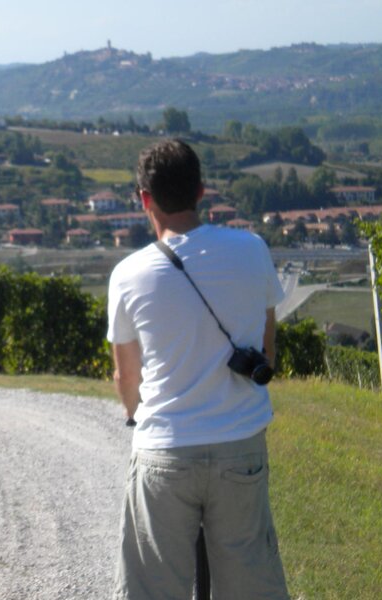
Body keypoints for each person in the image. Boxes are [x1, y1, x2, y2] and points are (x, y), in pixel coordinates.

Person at [107, 139, 289, 599]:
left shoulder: (129, 274)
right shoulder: (251, 249)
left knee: (153, 586)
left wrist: (135, 415)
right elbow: (267, 347)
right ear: (201, 191)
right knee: (249, 581)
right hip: (239, 444)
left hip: (165, 450)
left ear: (144, 199)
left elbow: (127, 378)